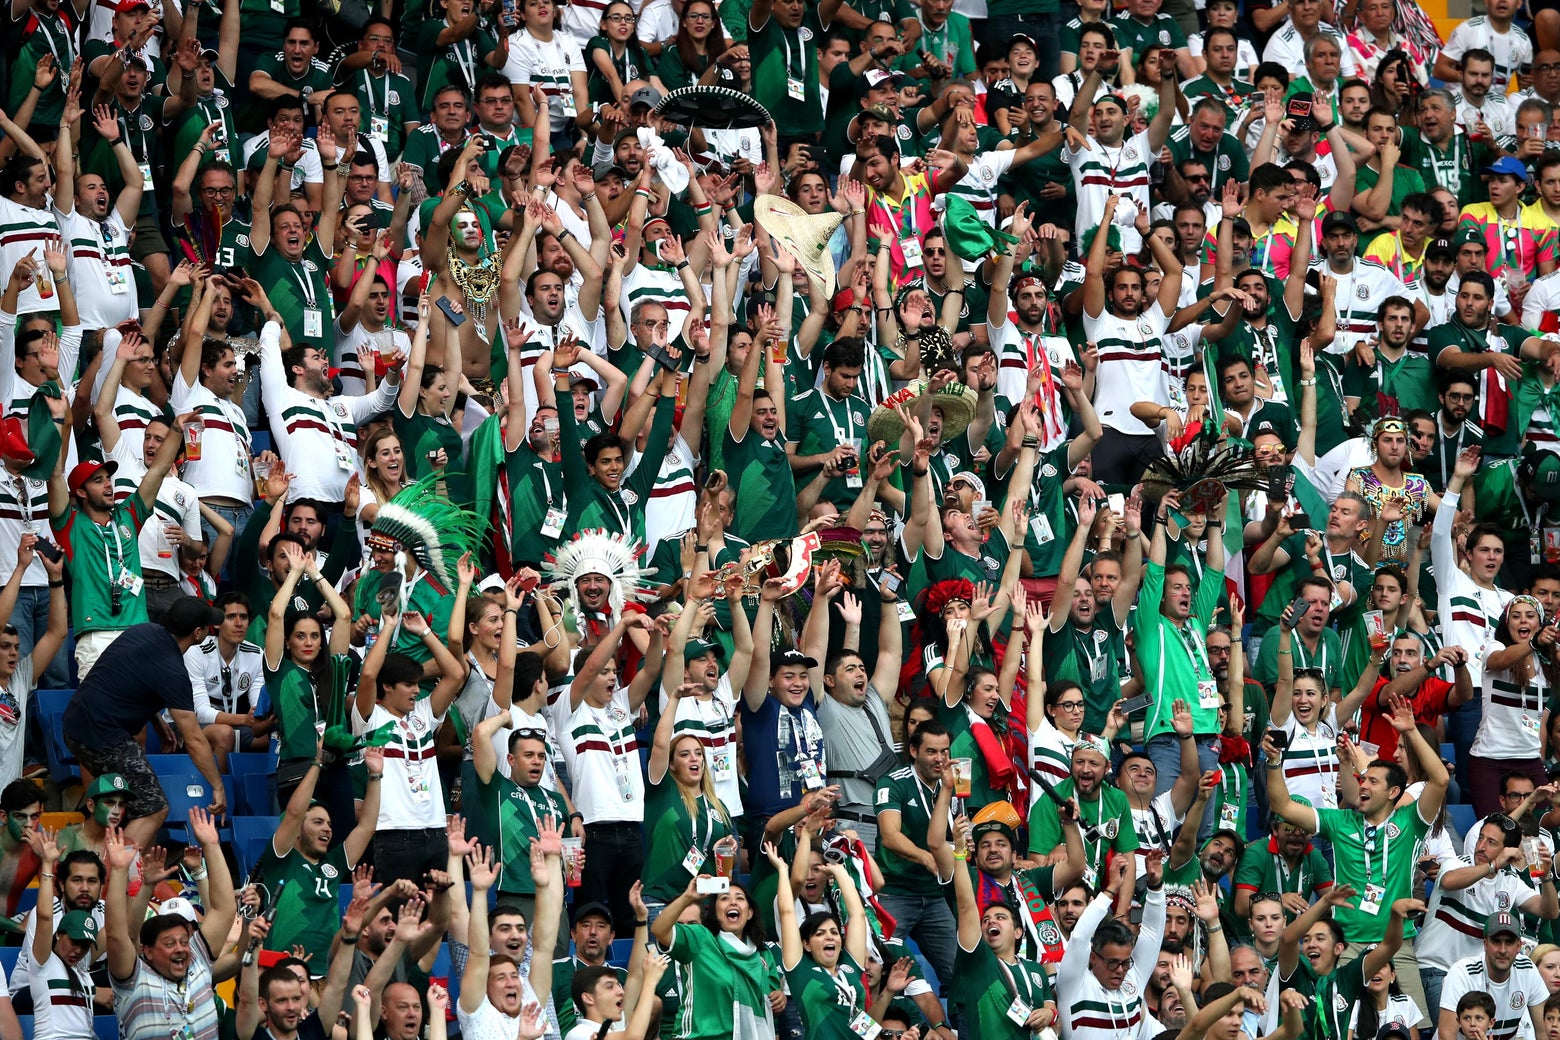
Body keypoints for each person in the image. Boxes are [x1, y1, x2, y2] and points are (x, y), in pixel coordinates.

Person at [1264, 690, 1445, 1016]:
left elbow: (1441, 779)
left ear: (1393, 792)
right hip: (1347, 948)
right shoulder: (1340, 822)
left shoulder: (1410, 821)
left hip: (1397, 945)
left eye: (1373, 781)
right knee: (1343, 1028)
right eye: (1363, 780)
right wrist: (1275, 762)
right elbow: (1282, 805)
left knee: (1412, 1029)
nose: (1363, 785)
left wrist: (1411, 731)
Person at [60, 598, 228, 848]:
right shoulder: (174, 672)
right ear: (197, 633)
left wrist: (156, 719)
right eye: (207, 627)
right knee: (153, 808)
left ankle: (126, 863)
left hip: (73, 723)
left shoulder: (144, 631)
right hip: (103, 735)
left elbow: (127, 677)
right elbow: (194, 740)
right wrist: (218, 786)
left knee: (135, 804)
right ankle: (111, 869)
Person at [254, 744, 383, 963]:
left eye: (329, 824)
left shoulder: (334, 863)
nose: (327, 829)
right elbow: (294, 813)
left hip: (326, 973)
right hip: (281, 969)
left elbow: (366, 827)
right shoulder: (280, 859)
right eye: (317, 822)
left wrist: (375, 776)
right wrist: (318, 762)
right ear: (296, 830)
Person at [1439, 912, 1550, 1040]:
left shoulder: (1527, 970)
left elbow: (1543, 1033)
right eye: (1496, 942)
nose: (1502, 950)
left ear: (1519, 946)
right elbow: (1446, 1035)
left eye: (1509, 942)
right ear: (1485, 944)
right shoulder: (1462, 973)